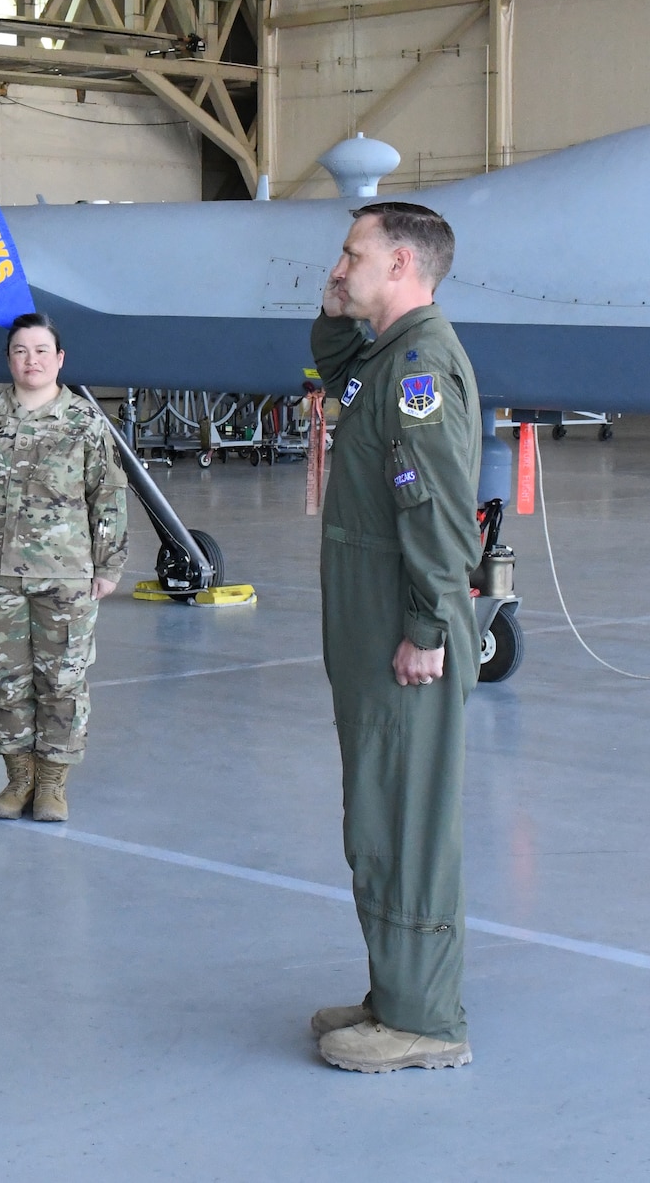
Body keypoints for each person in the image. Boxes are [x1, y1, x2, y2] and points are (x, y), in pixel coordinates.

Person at [308, 201, 480, 1073]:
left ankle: (425, 1019)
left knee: (404, 814)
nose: (339, 265)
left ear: (402, 263)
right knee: (376, 808)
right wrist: (337, 297)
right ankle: (394, 989)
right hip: (372, 613)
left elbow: (440, 514)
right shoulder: (381, 355)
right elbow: (329, 362)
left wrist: (426, 627)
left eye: (353, 254)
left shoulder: (419, 369)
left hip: (405, 624)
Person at [0, 312, 127, 822]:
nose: (31, 360)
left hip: (66, 576)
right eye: (20, 350)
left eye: (41, 350)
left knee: (62, 682)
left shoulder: (85, 423)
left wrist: (109, 564)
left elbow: (107, 495)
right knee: (5, 680)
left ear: (59, 359)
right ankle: (19, 780)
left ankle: (53, 786)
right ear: (8, 359)